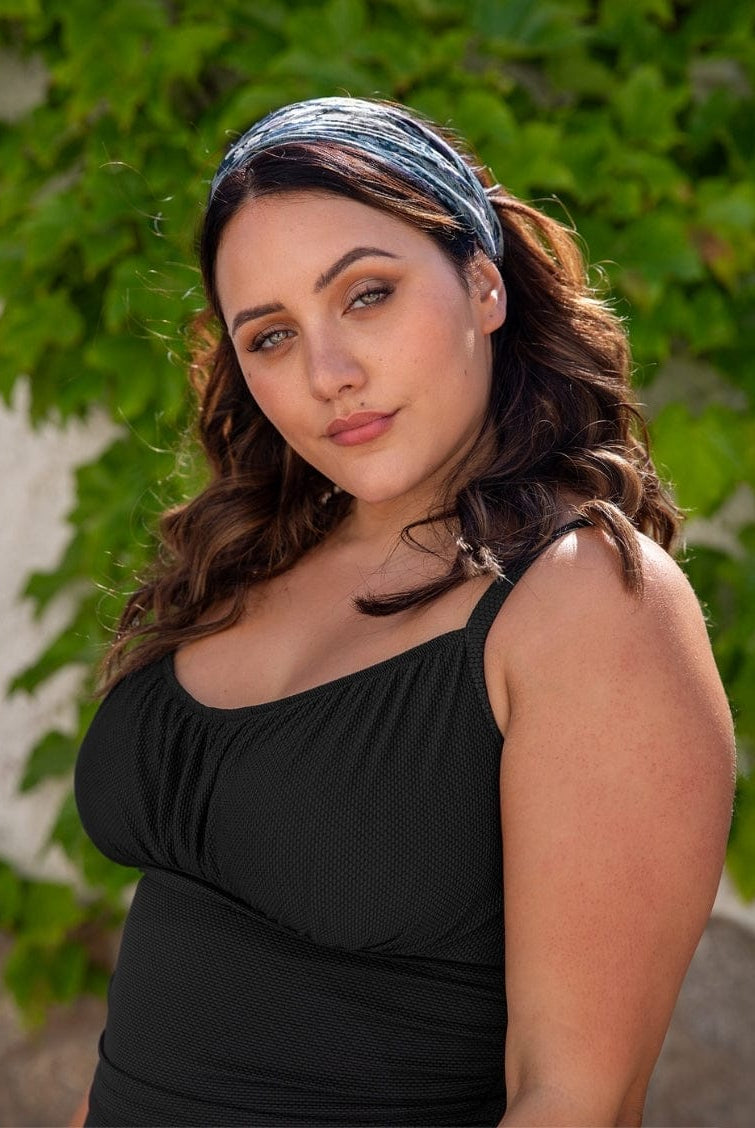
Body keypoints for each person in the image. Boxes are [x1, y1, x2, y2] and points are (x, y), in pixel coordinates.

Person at [72, 96, 735, 1127]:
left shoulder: (588, 603)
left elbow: (575, 1101)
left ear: (481, 283)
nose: (327, 375)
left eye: (367, 296)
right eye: (273, 335)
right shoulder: (253, 560)